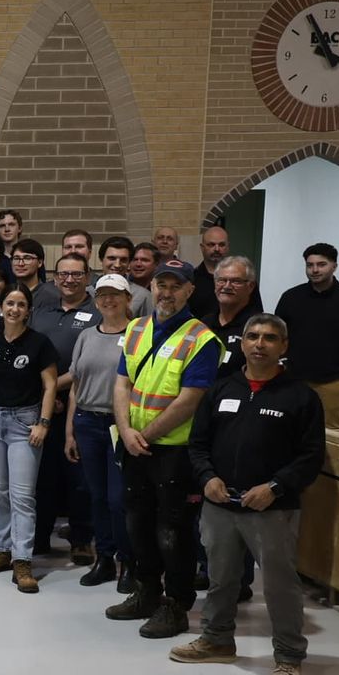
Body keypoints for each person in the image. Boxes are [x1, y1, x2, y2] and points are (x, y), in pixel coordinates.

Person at [169, 313, 325, 675]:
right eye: (253, 336)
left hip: (271, 509)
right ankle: (217, 639)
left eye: (270, 338)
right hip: (222, 504)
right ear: (242, 343)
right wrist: (208, 479)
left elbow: (310, 457)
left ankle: (288, 657)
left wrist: (274, 486)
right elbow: (198, 444)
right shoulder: (221, 390)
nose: (259, 344)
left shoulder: (301, 397)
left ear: (283, 347)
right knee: (221, 579)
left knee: (279, 586)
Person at [106, 258, 223, 638]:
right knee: (136, 523)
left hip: (174, 452)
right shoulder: (137, 328)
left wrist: (146, 434)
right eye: (161, 284)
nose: (166, 292)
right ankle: (146, 592)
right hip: (134, 446)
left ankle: (175, 604)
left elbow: (190, 400)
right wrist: (126, 431)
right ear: (151, 287)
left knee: (172, 531)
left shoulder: (202, 339)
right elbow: (122, 383)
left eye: (176, 286)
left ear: (190, 290)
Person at [0, 285, 58, 594]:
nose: (14, 309)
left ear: (28, 310)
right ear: (0, 307)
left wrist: (43, 422)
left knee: (22, 495)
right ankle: (1, 549)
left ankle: (23, 560)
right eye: (9, 303)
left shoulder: (39, 344)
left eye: (20, 304)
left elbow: (50, 386)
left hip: (25, 424)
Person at [63, 273, 134, 588]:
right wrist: (69, 431)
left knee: (120, 498)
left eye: (115, 294)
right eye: (102, 295)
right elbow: (75, 385)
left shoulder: (137, 333)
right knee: (97, 496)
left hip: (121, 425)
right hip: (87, 422)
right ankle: (103, 558)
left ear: (127, 299)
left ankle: (128, 560)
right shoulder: (87, 336)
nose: (108, 300)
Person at [30, 254, 101, 562]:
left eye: (76, 274)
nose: (69, 279)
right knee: (42, 475)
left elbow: (88, 365)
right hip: (42, 405)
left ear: (88, 277)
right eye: (63, 274)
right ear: (54, 278)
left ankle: (82, 539)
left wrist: (54, 386)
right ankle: (40, 535)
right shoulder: (41, 312)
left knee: (79, 476)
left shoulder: (97, 313)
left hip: (80, 402)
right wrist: (45, 392)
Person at [275, 241, 339, 428]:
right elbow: (277, 334)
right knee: (288, 429)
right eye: (310, 265)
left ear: (334, 266)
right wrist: (281, 366)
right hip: (294, 378)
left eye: (321, 264)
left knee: (330, 435)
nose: (315, 270)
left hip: (333, 381)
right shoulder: (291, 297)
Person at [203, 255, 263, 377]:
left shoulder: (258, 326)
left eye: (236, 281)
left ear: (250, 286)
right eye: (222, 280)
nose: (227, 286)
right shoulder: (203, 324)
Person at [98, 236, 151, 317]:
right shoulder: (87, 292)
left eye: (123, 260)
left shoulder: (142, 296)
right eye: (112, 258)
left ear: (129, 262)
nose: (117, 265)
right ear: (101, 259)